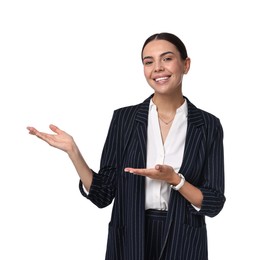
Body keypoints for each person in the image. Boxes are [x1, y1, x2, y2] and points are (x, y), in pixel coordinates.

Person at [27, 32, 226, 260]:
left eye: (167, 58)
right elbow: (103, 195)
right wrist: (74, 152)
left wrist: (175, 180)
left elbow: (214, 202)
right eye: (148, 62)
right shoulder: (124, 119)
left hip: (184, 240)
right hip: (130, 238)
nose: (157, 67)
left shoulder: (208, 125)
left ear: (186, 64)